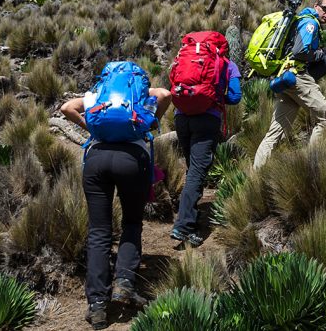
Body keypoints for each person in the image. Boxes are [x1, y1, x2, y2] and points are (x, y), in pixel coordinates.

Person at [60, 67, 171, 330]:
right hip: (132, 159)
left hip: (97, 159)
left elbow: (66, 108)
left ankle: (97, 305)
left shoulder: (98, 94)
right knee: (131, 222)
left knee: (99, 231)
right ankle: (124, 284)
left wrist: (91, 128)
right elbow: (166, 94)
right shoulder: (140, 93)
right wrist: (151, 123)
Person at [252, 0, 326, 169]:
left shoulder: (300, 19)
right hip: (298, 77)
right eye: (325, 9)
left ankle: (257, 175)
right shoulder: (310, 23)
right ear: (316, 6)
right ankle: (312, 167)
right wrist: (319, 54)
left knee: (276, 133)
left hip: (285, 79)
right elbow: (300, 51)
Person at [170, 48, 241, 247]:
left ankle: (189, 218)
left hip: (181, 117)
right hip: (207, 119)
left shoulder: (187, 58)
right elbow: (235, 96)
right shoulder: (228, 65)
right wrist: (214, 97)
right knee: (197, 172)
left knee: (193, 169)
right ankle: (184, 226)